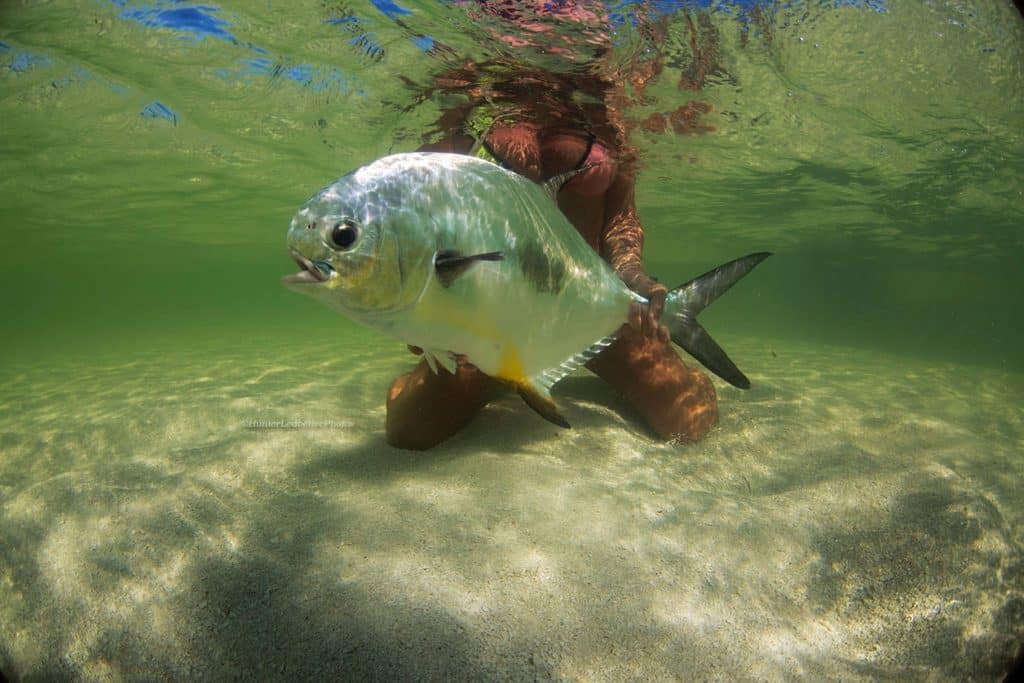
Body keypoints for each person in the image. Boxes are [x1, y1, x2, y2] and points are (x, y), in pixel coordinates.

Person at [385, 8, 725, 450]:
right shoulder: (466, 106)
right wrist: (421, 319)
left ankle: (525, 376)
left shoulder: (605, 108)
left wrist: (637, 280)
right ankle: (504, 377)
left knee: (689, 420)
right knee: (407, 433)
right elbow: (420, 220)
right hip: (484, 326)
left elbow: (621, 220)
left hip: (589, 311)